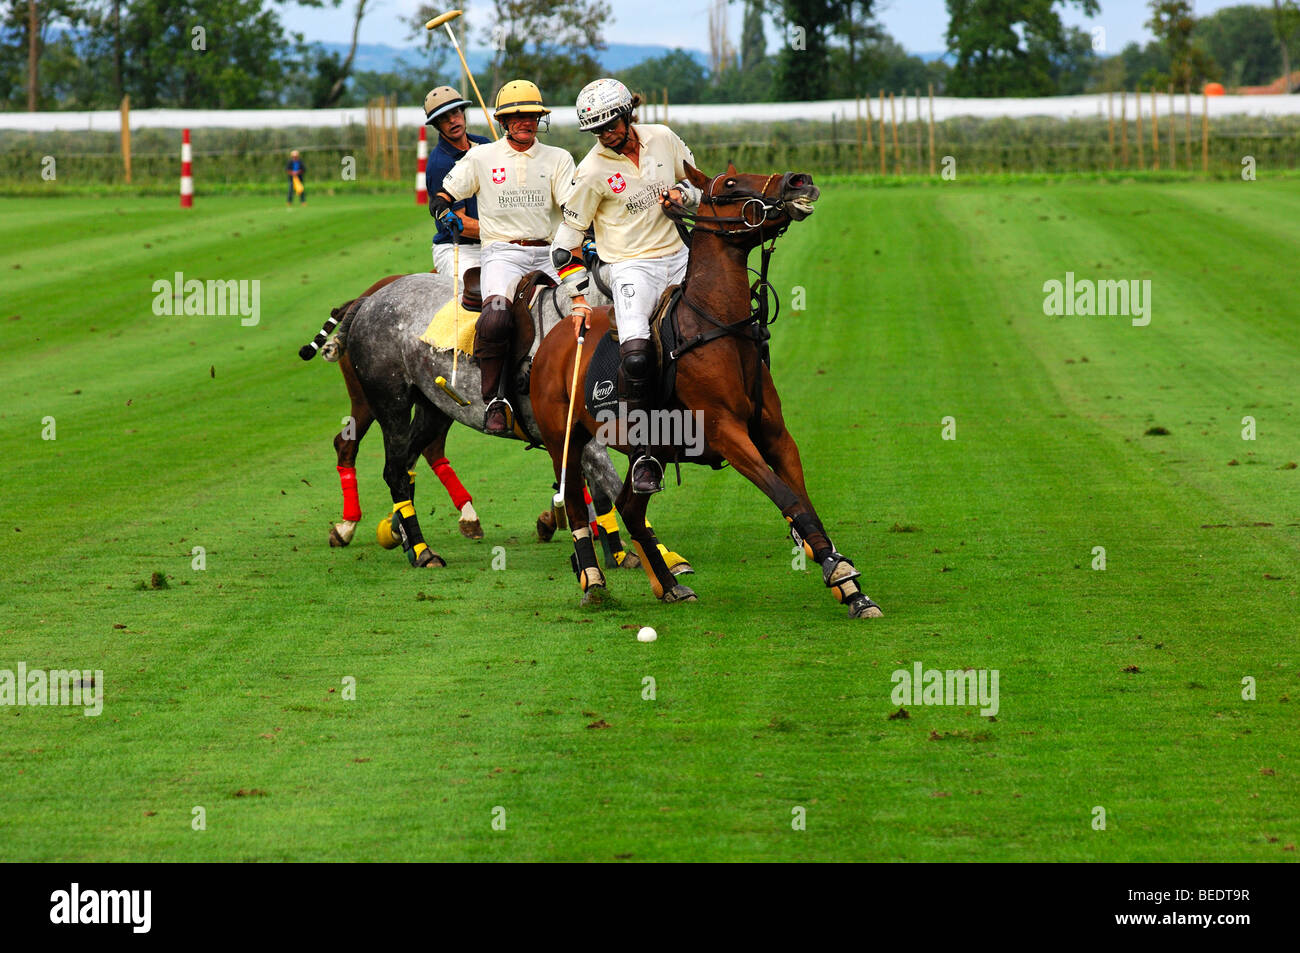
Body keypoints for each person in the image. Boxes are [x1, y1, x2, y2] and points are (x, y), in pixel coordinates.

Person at [550, 78, 701, 494]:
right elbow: (564, 246)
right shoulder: (591, 170)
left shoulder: (663, 138)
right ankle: (645, 454)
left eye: (611, 124)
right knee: (636, 355)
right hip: (633, 268)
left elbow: (700, 185)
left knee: (733, 317)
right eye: (597, 130)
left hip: (682, 255)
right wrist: (578, 296)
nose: (605, 135)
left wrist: (681, 197)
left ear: (627, 113)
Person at [432, 80, 574, 434]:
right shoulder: (481, 156)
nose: (525, 122)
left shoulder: (559, 158)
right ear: (504, 122)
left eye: (532, 116)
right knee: (495, 318)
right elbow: (444, 194)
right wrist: (443, 212)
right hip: (502, 253)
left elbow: (573, 208)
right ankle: (496, 399)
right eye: (517, 117)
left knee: (586, 311)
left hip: (549, 251)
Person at [423, 86, 490, 283]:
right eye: (444, 118)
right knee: (477, 293)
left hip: (492, 243)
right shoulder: (439, 164)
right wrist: (505, 230)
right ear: (436, 125)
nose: (453, 120)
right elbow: (461, 225)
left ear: (463, 113)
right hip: (459, 249)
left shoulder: (485, 145)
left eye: (455, 112)